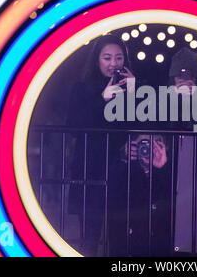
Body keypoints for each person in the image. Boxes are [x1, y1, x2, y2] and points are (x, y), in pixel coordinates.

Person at [66, 34, 137, 256]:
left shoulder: (129, 87)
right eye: (107, 58)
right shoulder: (81, 87)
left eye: (118, 58)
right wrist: (102, 99)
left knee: (120, 237)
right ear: (96, 60)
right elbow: (74, 125)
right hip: (90, 170)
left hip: (120, 169)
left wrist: (135, 92)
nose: (113, 64)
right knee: (89, 237)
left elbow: (137, 124)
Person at [107, 134, 172, 256]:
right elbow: (112, 192)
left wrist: (162, 168)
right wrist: (124, 159)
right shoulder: (123, 171)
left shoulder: (170, 172)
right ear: (132, 147)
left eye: (156, 143)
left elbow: (172, 198)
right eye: (144, 143)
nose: (148, 148)